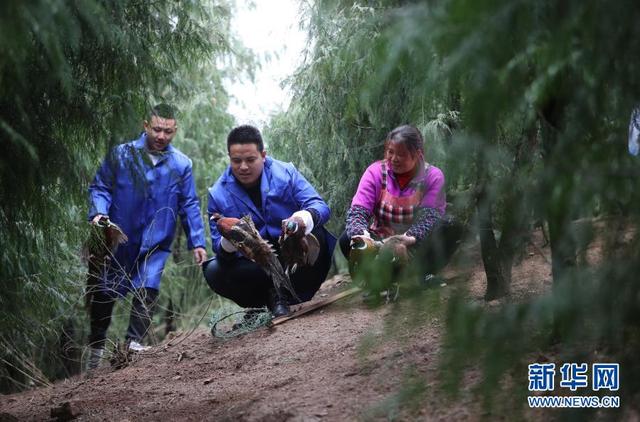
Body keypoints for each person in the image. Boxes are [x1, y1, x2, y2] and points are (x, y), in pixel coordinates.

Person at [86, 104, 207, 369]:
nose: (161, 136)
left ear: (175, 130)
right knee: (104, 292)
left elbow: (189, 204)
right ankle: (96, 349)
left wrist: (197, 241)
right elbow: (100, 188)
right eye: (156, 129)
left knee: (147, 287)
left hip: (156, 240)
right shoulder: (122, 154)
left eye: (168, 131)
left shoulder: (181, 165)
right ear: (145, 126)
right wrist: (99, 215)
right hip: (120, 238)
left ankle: (132, 347)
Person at [203, 125, 335, 317]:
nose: (243, 167)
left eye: (250, 159)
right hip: (256, 268)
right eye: (236, 161)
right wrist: (231, 238)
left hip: (295, 259)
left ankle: (289, 293)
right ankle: (270, 296)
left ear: (263, 155)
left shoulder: (286, 173)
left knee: (318, 233)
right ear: (229, 158)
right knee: (215, 270)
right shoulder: (217, 194)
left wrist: (301, 220)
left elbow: (320, 206)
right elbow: (220, 249)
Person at [341, 124, 460, 280]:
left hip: (414, 245)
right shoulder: (375, 172)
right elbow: (358, 210)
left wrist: (405, 240)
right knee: (346, 239)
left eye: (401, 154)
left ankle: (420, 274)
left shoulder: (433, 176)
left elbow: (429, 217)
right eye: (390, 152)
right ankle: (382, 277)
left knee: (451, 226)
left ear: (417, 154)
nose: (394, 159)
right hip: (380, 244)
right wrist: (362, 236)